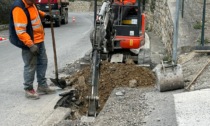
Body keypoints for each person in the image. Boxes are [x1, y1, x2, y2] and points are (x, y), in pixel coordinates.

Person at [9, 0, 55, 100]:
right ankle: (28, 89)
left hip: (39, 39)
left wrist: (44, 15)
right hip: (29, 42)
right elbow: (20, 31)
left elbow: (35, 14)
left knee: (43, 62)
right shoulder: (19, 8)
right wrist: (30, 45)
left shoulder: (31, 4)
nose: (36, 0)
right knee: (30, 65)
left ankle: (42, 86)